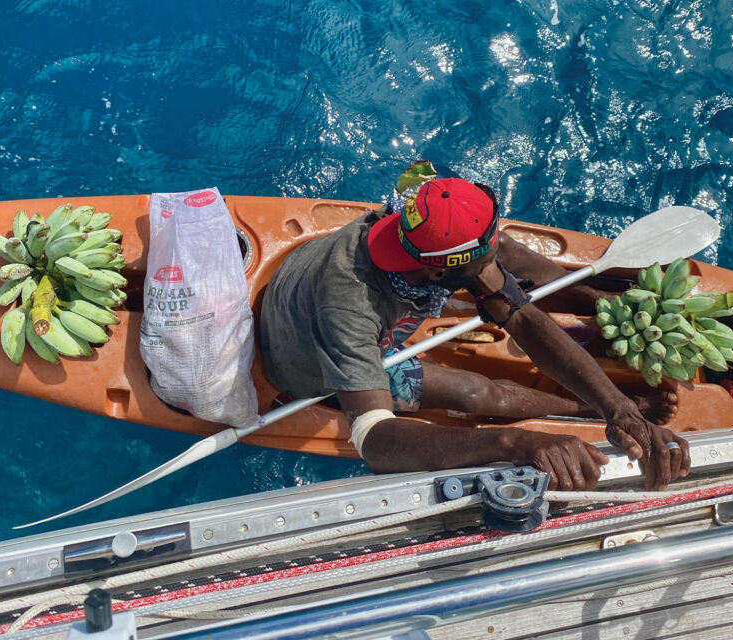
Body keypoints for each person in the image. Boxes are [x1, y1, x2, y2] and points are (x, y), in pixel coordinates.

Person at [260, 176, 691, 490]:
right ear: (433, 269)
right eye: (476, 266)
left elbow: (519, 317)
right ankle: (577, 410)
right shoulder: (349, 309)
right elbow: (374, 440)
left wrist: (618, 410)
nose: (491, 272)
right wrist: (514, 443)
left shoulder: (417, 212)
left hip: (312, 288)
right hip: (310, 359)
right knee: (478, 393)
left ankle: (588, 299)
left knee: (503, 253)